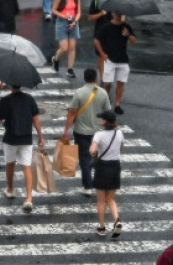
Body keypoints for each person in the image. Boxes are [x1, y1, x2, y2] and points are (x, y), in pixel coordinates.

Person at [0, 83, 44, 213]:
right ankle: (28, 198)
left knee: (10, 164)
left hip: (10, 138)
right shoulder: (29, 99)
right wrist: (40, 136)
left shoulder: (5, 100)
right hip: (26, 138)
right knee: (26, 167)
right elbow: (36, 119)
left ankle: (10, 189)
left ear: (10, 85)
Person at [60, 68, 112, 196]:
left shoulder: (79, 93)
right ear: (96, 78)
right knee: (98, 157)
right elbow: (108, 113)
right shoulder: (103, 93)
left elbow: (72, 113)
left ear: (84, 78)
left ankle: (87, 186)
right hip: (98, 132)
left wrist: (66, 130)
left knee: (84, 158)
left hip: (81, 132)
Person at [91, 109, 124, 237]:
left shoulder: (99, 135)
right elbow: (121, 147)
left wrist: (94, 152)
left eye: (102, 118)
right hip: (115, 166)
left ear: (105, 121)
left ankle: (102, 227)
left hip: (102, 167)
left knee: (101, 200)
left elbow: (92, 150)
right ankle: (116, 220)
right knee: (110, 198)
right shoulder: (119, 133)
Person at [95, 14, 137, 114]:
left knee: (121, 82)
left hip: (123, 59)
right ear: (113, 14)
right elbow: (96, 41)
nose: (118, 15)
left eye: (120, 13)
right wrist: (102, 54)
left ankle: (117, 104)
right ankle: (107, 98)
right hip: (110, 59)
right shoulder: (106, 27)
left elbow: (134, 41)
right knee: (107, 83)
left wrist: (128, 35)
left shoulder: (126, 27)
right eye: (116, 13)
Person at [51, 0, 81, 78]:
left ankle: (70, 69)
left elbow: (79, 12)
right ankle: (56, 59)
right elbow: (54, 10)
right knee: (64, 48)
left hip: (73, 22)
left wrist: (75, 21)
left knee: (72, 47)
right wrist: (63, 16)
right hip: (61, 22)